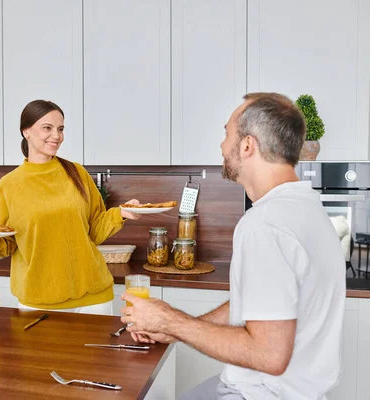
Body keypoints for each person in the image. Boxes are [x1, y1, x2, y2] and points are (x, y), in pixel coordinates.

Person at [121, 92, 346, 399]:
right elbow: (261, 303)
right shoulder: (309, 210)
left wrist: (167, 319)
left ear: (247, 145)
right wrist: (173, 330)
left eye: (226, 133)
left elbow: (269, 356)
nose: (222, 145)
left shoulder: (265, 224)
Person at [0, 99, 141, 315]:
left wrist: (120, 213)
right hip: (39, 300)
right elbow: (6, 244)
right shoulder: (10, 184)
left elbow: (94, 231)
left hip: (94, 296)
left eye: (60, 129)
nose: (56, 136)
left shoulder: (76, 173)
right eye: (47, 128)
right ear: (26, 131)